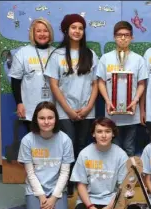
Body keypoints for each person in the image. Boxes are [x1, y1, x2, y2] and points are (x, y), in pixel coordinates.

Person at [44, 14, 99, 197]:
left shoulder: (90, 55)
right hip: (64, 111)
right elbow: (54, 85)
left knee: (83, 146)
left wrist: (88, 107)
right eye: (73, 28)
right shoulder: (57, 55)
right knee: (67, 147)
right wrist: (68, 110)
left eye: (80, 28)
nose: (77, 31)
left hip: (86, 111)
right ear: (66, 31)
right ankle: (66, 183)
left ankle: (80, 182)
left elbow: (95, 84)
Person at [18, 101, 74, 209]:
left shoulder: (65, 140)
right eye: (42, 118)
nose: (46, 122)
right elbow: (30, 173)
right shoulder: (27, 140)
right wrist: (42, 197)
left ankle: (54, 205)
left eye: (50, 118)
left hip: (57, 188)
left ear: (56, 119)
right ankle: (35, 202)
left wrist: (53, 198)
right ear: (36, 120)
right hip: (35, 189)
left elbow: (65, 173)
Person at [69, 117, 128, 209]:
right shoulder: (84, 154)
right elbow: (81, 184)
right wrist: (91, 208)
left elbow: (123, 187)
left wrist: (108, 208)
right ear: (93, 134)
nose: (104, 135)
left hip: (112, 201)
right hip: (89, 201)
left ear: (113, 134)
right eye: (99, 131)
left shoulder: (121, 155)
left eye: (107, 131)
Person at [97, 21, 148, 156]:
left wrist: (135, 100)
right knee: (115, 148)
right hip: (111, 113)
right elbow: (101, 82)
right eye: (120, 35)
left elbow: (142, 83)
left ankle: (129, 177)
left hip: (132, 113)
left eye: (126, 35)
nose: (123, 38)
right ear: (114, 37)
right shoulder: (105, 58)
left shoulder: (139, 60)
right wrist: (107, 100)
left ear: (132, 37)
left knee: (129, 147)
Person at [9, 18, 55, 131]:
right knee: (35, 142)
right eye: (38, 31)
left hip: (54, 108)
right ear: (33, 33)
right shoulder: (23, 53)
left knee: (51, 142)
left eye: (46, 30)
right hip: (30, 109)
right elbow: (15, 81)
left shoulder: (57, 53)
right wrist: (19, 103)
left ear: (50, 33)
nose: (42, 34)